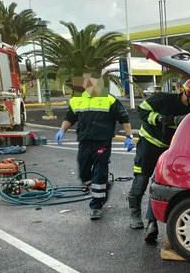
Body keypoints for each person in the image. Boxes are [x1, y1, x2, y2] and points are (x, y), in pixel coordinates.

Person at [129, 79, 190, 244]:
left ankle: (151, 223)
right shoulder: (163, 99)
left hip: (169, 149)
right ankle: (134, 213)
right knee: (141, 179)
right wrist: (162, 119)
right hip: (149, 143)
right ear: (186, 94)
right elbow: (142, 110)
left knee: (159, 184)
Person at [56, 74, 134, 220]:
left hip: (102, 142)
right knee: (84, 172)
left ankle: (96, 206)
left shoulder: (109, 99)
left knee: (99, 173)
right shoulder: (77, 100)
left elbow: (124, 118)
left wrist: (129, 136)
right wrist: (62, 130)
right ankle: (103, 186)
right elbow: (69, 118)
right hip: (84, 141)